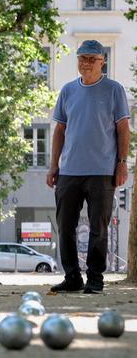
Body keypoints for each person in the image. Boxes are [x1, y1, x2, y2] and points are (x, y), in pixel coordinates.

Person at [46, 40, 130, 294]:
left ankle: (95, 279)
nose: (86, 63)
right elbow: (59, 130)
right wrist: (53, 166)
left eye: (91, 59)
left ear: (102, 61)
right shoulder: (68, 90)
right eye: (82, 58)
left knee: (99, 229)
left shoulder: (114, 90)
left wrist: (122, 163)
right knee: (65, 226)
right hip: (69, 170)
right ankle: (72, 277)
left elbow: (123, 129)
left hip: (102, 171)